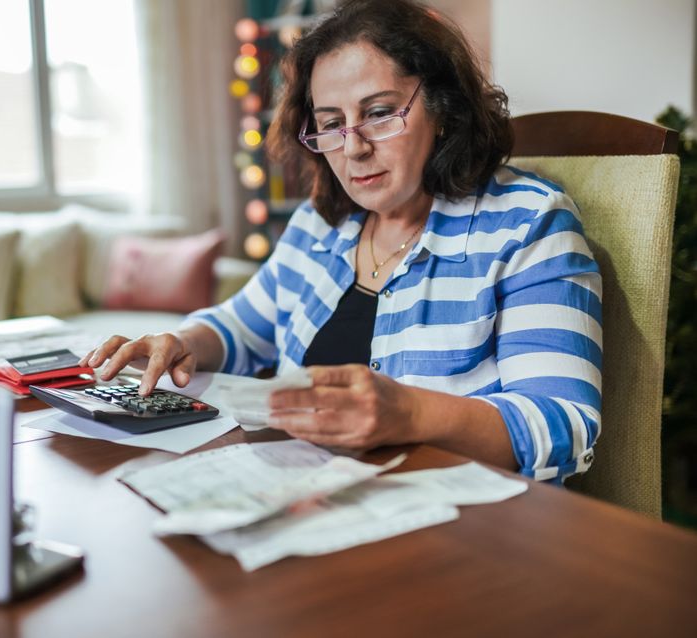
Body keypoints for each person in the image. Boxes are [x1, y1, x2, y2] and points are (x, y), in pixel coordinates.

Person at [80, 0, 601, 482]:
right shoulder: (321, 223)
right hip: (308, 492)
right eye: (331, 123)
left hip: (457, 528)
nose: (353, 148)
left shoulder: (528, 223)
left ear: (442, 109)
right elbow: (244, 325)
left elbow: (564, 423)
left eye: (378, 113)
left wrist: (410, 412)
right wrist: (183, 342)